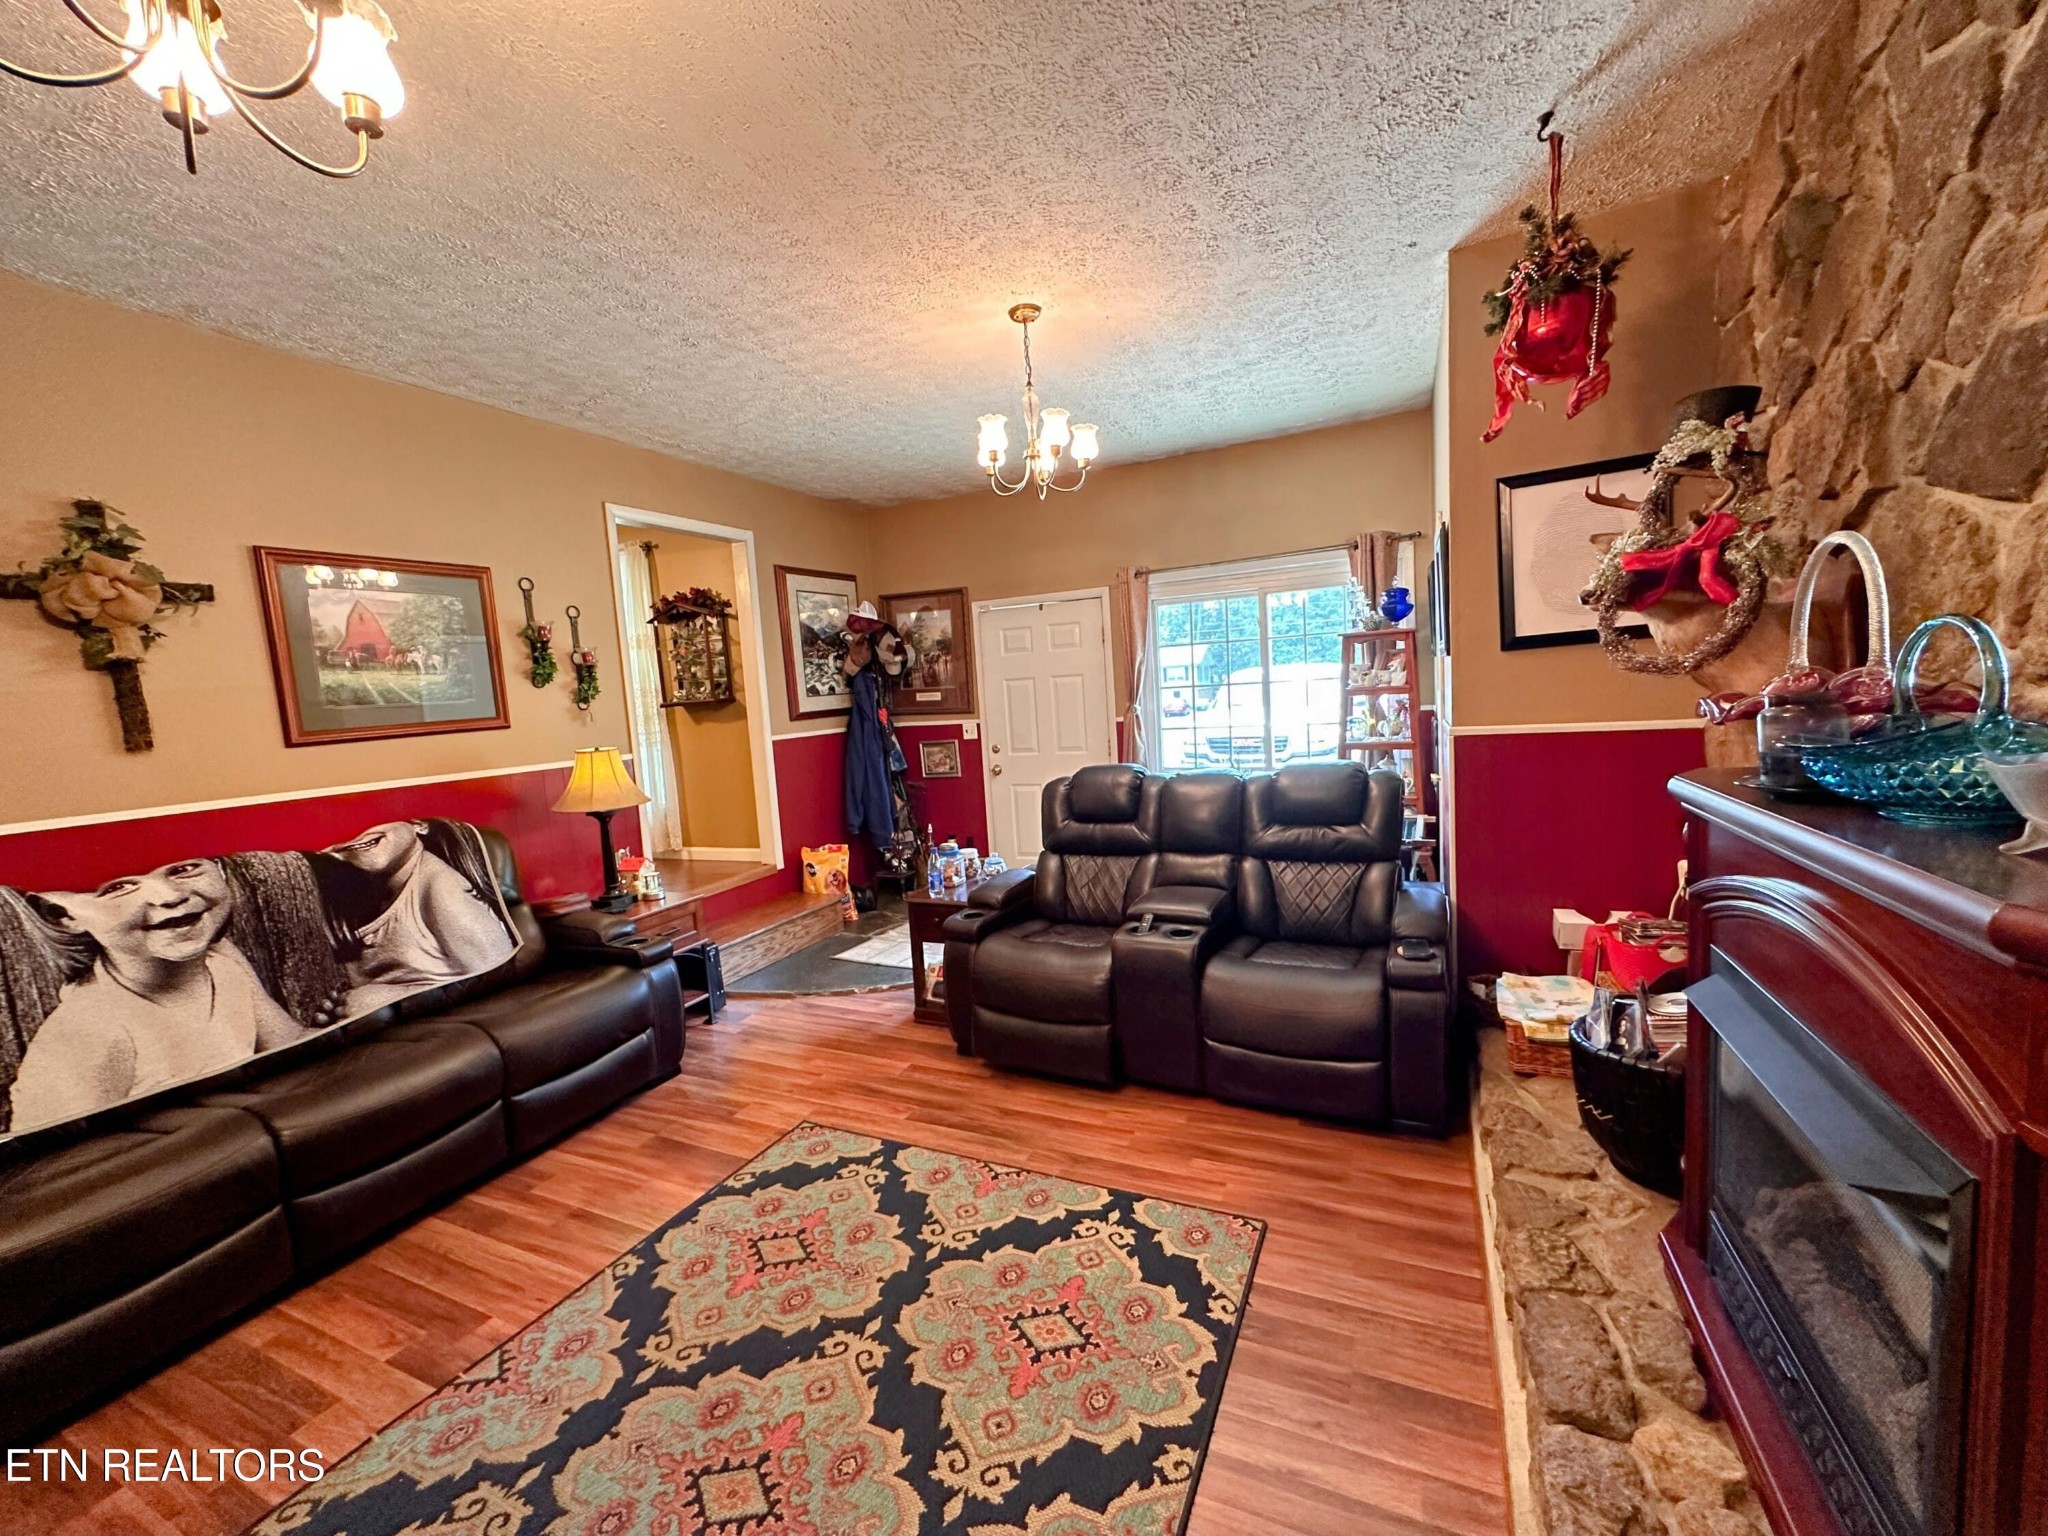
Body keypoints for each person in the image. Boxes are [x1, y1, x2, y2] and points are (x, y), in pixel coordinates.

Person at [8, 859, 311, 1134]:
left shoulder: (222, 960)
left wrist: (355, 1008)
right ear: (63, 916)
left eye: (184, 869)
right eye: (119, 888)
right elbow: (55, 1171)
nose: (169, 896)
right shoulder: (90, 1028)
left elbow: (289, 1046)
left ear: (220, 870)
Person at [314, 820, 514, 1014]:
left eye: (373, 820)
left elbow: (498, 972)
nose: (358, 836)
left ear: (419, 826)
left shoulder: (440, 885)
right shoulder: (347, 899)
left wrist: (394, 1000)